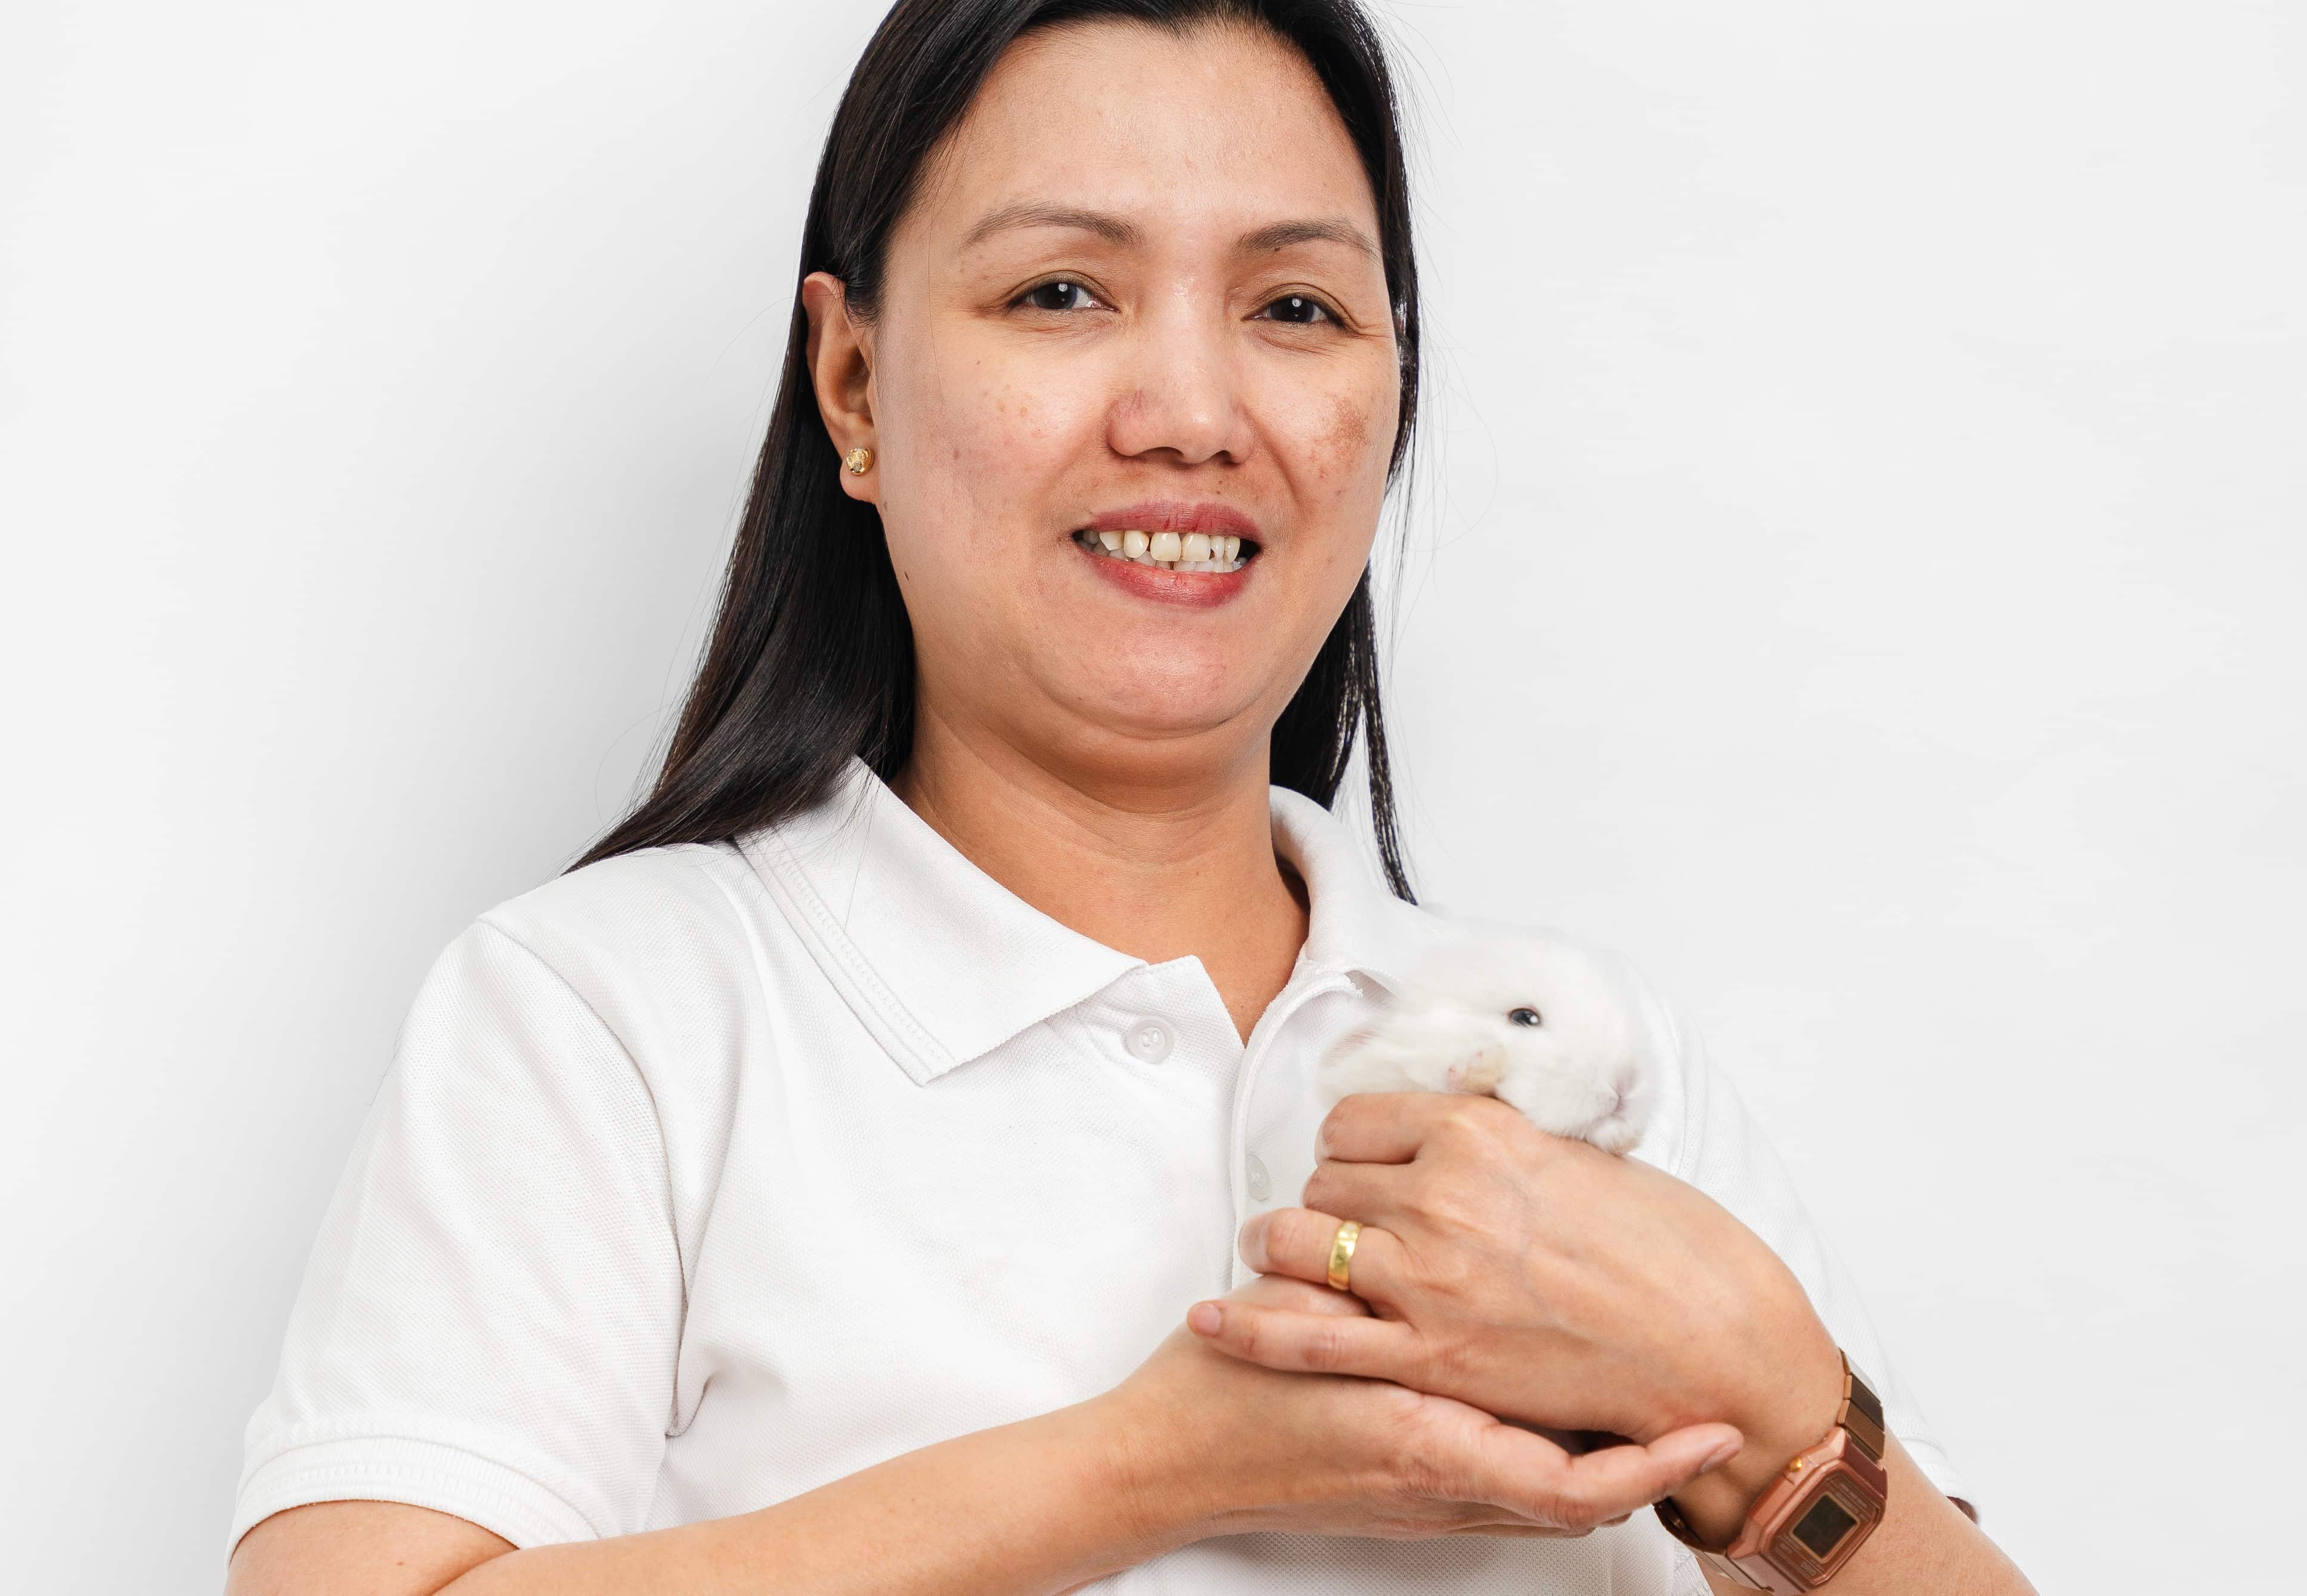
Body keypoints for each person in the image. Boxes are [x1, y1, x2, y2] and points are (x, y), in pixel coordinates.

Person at [224, 2, 2037, 1592]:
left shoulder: (1573, 1055)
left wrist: (1781, 1410)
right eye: (1061, 291)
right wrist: (1160, 1460)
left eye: (1298, 305)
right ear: (853, 384)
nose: (1190, 407)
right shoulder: (613, 1014)